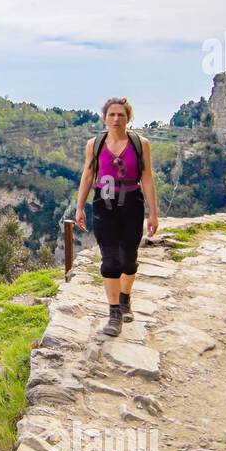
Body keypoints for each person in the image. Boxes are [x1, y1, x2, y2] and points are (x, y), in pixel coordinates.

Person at [74, 97, 159, 337]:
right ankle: (114, 313)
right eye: (111, 114)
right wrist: (80, 207)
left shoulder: (141, 144)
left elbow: (147, 178)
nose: (116, 119)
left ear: (128, 118)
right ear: (104, 117)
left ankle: (125, 299)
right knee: (110, 260)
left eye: (121, 114)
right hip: (103, 204)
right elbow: (88, 175)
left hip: (132, 203)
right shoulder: (95, 144)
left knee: (129, 259)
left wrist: (153, 213)